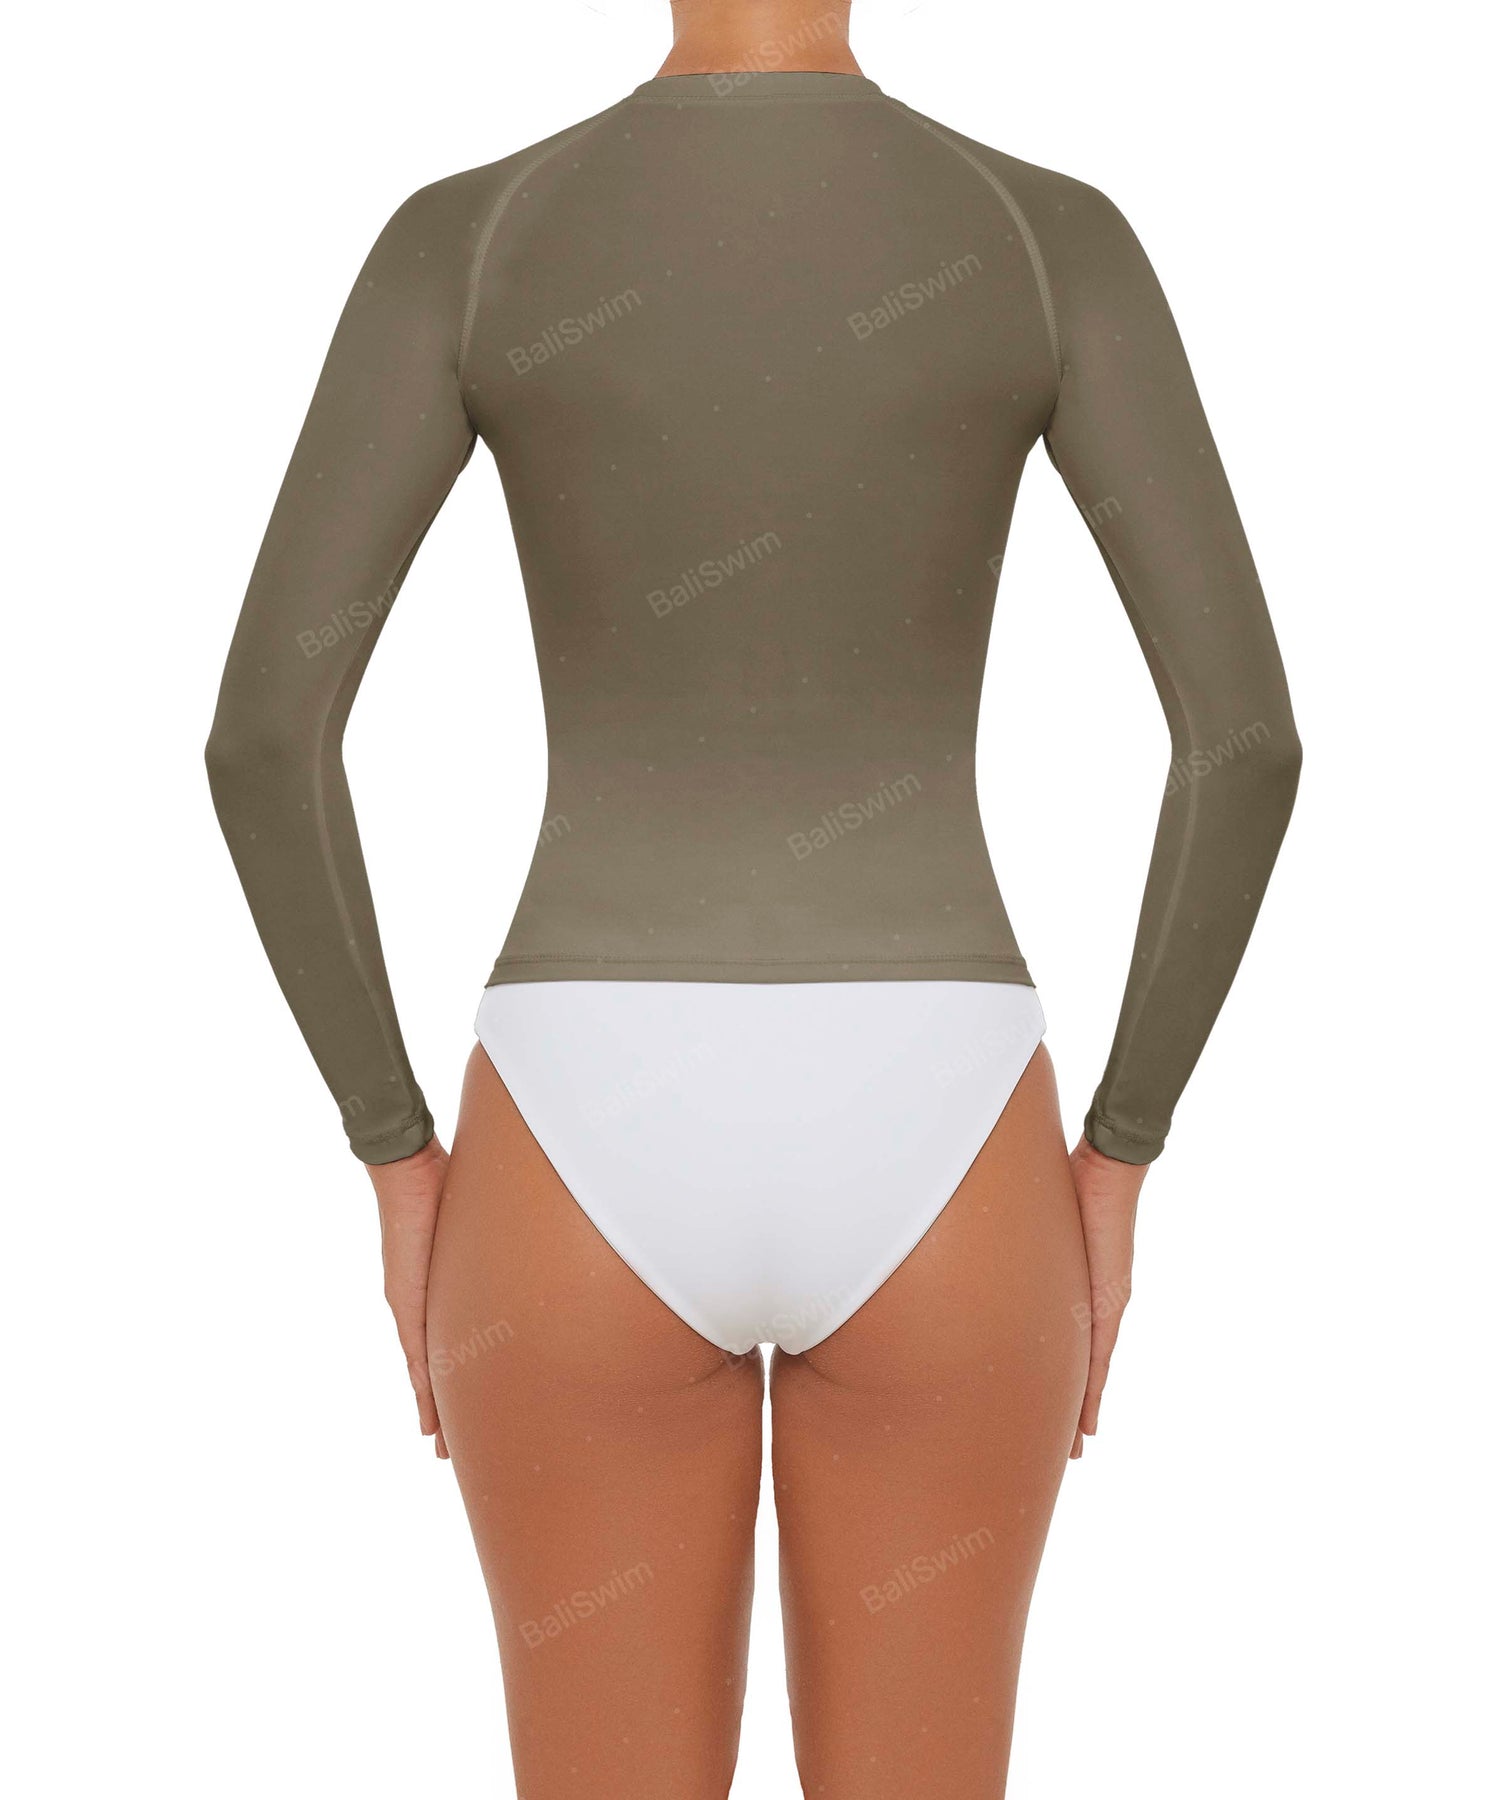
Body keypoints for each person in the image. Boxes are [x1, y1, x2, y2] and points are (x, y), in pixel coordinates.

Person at [205, 2, 1300, 1791]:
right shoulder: (1046, 236)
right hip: (949, 1125)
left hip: (575, 1124)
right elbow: (1245, 746)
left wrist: (394, 1155)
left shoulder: (473, 236)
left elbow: (265, 739)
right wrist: (1121, 1155)